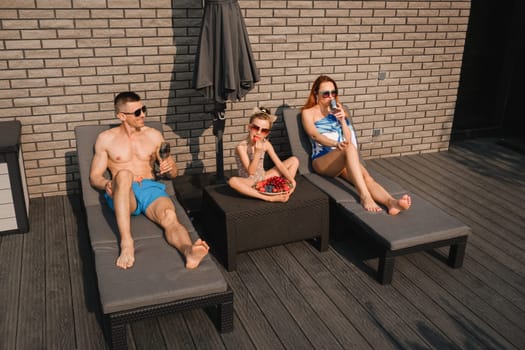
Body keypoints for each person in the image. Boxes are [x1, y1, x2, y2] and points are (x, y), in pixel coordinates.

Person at [89, 91, 209, 269]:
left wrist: (170, 167)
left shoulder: (153, 135)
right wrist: (106, 183)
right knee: (123, 174)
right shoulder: (106, 139)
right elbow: (94, 177)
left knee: (169, 216)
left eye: (143, 109)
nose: (143, 115)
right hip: (124, 192)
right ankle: (127, 242)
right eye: (137, 112)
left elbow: (173, 173)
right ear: (122, 116)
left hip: (150, 188)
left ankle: (188, 251)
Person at [301, 75, 411, 215]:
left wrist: (342, 120)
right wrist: (336, 143)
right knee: (348, 148)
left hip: (343, 155)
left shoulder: (338, 110)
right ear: (316, 93)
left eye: (333, 93)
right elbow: (314, 135)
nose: (330, 97)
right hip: (322, 161)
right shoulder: (308, 113)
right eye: (326, 93)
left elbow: (349, 138)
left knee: (367, 177)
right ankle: (365, 196)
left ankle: (391, 203)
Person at [228, 107, 299, 202]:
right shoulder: (242, 147)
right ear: (249, 127)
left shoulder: (266, 144)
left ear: (267, 133)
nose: (258, 132)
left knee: (294, 160)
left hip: (263, 177)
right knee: (233, 181)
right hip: (249, 182)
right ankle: (268, 197)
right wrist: (257, 153)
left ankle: (285, 189)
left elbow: (279, 164)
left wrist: (292, 180)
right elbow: (251, 172)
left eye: (264, 130)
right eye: (255, 128)